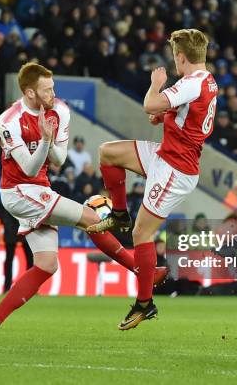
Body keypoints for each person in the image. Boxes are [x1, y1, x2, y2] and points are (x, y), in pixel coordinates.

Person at [0, 63, 167, 342]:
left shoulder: (59, 110)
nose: (53, 93)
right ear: (29, 92)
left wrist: (48, 141)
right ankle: (138, 267)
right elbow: (27, 168)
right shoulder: (9, 120)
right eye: (46, 90)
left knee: (47, 265)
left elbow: (59, 161)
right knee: (93, 218)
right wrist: (45, 139)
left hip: (40, 189)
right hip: (18, 192)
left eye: (53, 88)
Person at [86, 28, 218, 330]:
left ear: (180, 57)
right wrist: (167, 117)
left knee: (141, 235)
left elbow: (149, 104)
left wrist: (155, 86)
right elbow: (193, 118)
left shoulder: (190, 83)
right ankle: (119, 213)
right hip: (167, 154)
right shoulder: (207, 81)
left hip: (175, 168)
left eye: (174, 57)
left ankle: (144, 304)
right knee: (108, 153)